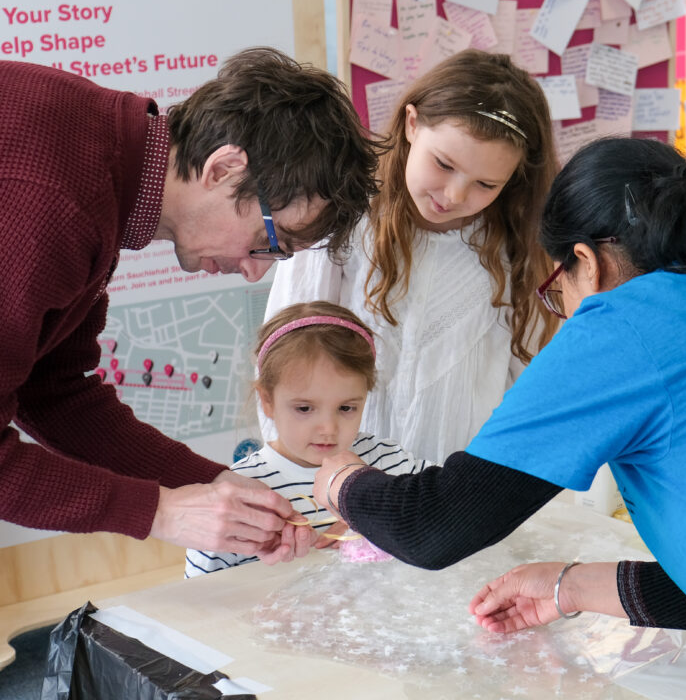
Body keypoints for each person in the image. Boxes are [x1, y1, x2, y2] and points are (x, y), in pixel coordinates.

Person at [313, 138, 686, 699]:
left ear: (586, 264)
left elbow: (433, 529)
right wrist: (570, 586)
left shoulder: (626, 323)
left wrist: (340, 480)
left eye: (555, 290)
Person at [0, 48, 380, 563]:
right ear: (223, 169)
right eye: (269, 242)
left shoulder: (106, 165)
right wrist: (161, 512)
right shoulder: (55, 199)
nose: (255, 271)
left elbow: (55, 392)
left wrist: (218, 487)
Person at [263, 50, 559, 463]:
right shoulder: (342, 218)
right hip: (337, 483)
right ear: (412, 124)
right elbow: (282, 362)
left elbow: (533, 398)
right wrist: (293, 475)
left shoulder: (519, 250)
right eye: (444, 164)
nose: (453, 195)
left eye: (485, 184)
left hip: (458, 486)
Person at [185, 301, 430, 577]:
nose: (328, 428)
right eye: (304, 408)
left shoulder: (390, 462)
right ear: (267, 401)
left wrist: (376, 519)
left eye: (346, 408)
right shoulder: (239, 492)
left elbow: (455, 514)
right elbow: (199, 593)